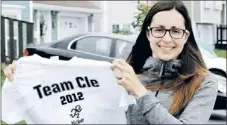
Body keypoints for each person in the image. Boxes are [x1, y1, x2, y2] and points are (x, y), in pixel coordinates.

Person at [4, 1, 218, 124]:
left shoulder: (204, 83)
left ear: (186, 35)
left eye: (176, 31)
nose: (167, 38)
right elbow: (76, 101)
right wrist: (26, 77)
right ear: (148, 33)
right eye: (159, 30)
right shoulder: (127, 71)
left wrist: (140, 93)